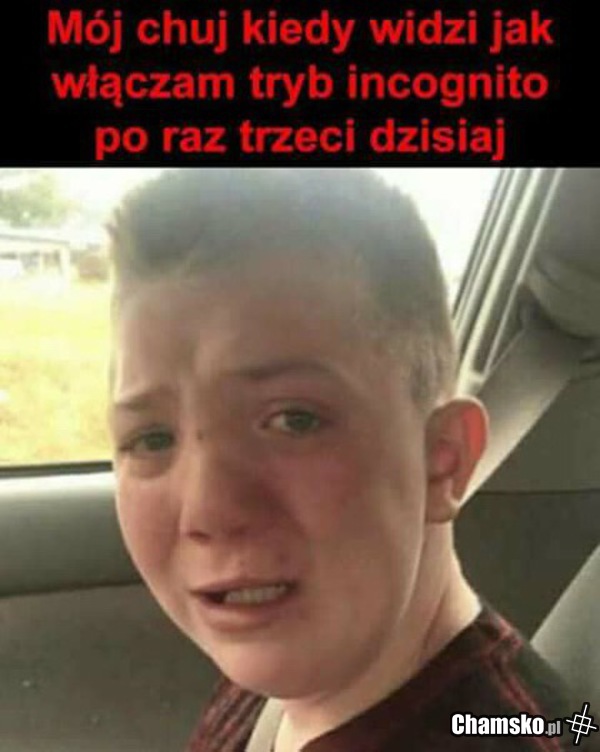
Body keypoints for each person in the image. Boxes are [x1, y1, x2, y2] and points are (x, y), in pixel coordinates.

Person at [107, 169, 571, 752]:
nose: (208, 511)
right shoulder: (297, 667)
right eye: (152, 439)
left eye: (294, 420)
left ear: (442, 460)